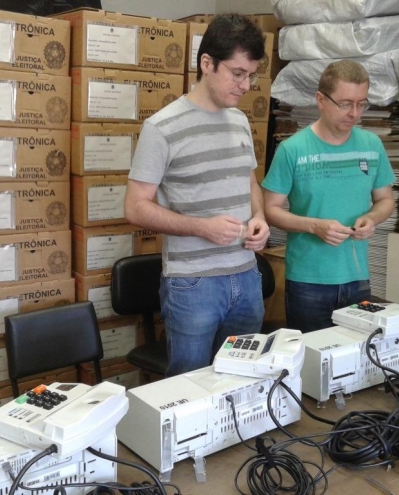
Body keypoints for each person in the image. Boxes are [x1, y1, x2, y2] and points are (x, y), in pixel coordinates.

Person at [124, 14, 270, 377]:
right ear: (207, 63)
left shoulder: (240, 121)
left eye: (251, 75)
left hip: (246, 274)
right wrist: (202, 227)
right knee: (189, 388)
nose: (245, 85)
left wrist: (260, 218)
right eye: (238, 73)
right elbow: (135, 208)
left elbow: (250, 183)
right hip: (193, 284)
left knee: (243, 381)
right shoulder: (161, 127)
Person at [262, 60, 395, 333]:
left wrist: (371, 218)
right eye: (345, 104)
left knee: (359, 352)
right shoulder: (292, 149)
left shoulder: (371, 145)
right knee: (312, 355)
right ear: (320, 100)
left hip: (357, 276)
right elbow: (270, 209)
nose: (354, 113)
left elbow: (385, 200)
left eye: (361, 104)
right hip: (308, 281)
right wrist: (314, 226)